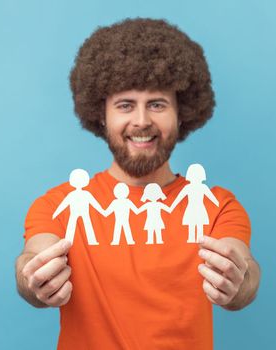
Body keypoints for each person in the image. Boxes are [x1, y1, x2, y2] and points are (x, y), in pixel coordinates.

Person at [15, 17, 261, 350]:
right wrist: (36, 278)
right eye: (125, 105)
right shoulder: (59, 204)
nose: (142, 121)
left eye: (157, 104)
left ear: (181, 112)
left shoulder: (215, 205)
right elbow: (32, 259)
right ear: (102, 115)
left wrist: (238, 281)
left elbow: (244, 269)